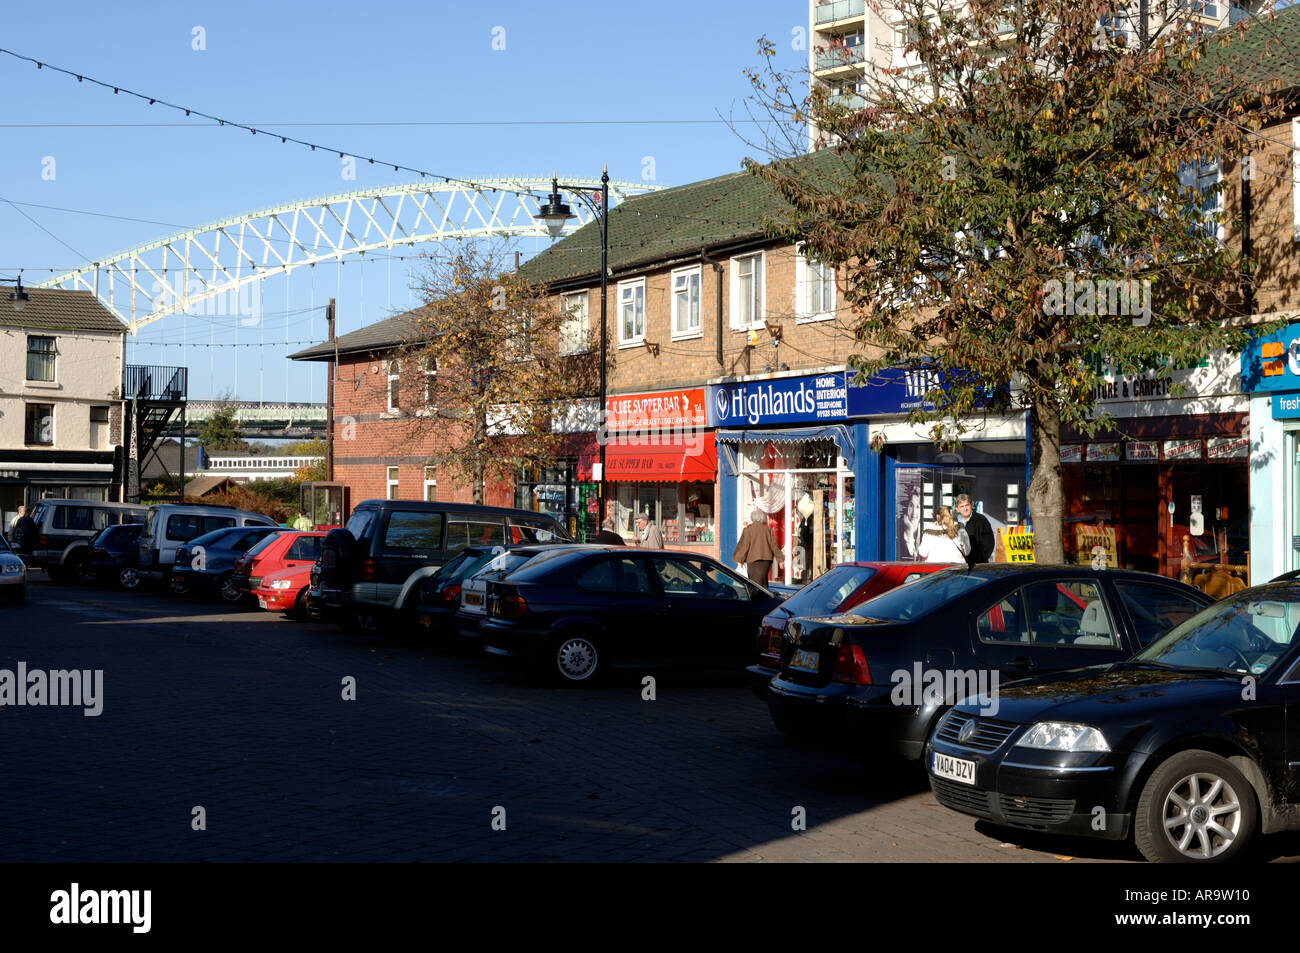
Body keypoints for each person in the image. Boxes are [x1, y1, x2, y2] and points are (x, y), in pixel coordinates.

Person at [733, 509, 783, 585]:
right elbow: (774, 546)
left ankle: (757, 596)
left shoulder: (747, 530)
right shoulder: (767, 530)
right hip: (765, 561)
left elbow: (744, 545)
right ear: (762, 518)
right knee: (763, 581)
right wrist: (780, 560)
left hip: (752, 561)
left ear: (752, 518)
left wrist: (740, 559)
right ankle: (763, 595)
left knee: (754, 583)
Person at [954, 493, 994, 568]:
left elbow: (989, 543)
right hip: (957, 565)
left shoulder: (981, 520)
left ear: (971, 505)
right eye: (961, 506)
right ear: (957, 509)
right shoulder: (953, 522)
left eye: (967, 505)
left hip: (977, 565)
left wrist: (980, 560)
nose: (965, 509)